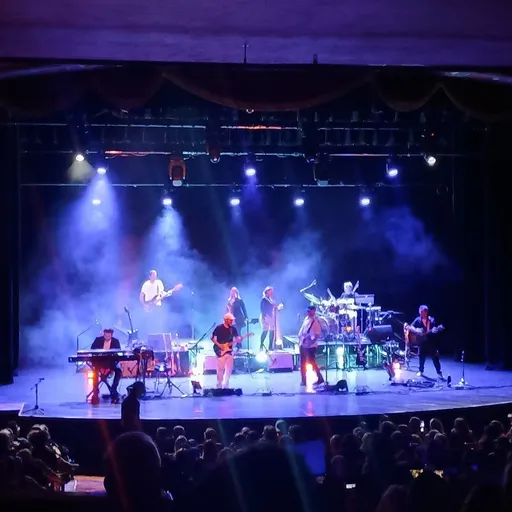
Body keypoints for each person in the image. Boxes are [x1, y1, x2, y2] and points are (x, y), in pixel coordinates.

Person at [407, 305, 444, 379]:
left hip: (431, 342)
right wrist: (416, 330)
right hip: (422, 342)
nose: (422, 314)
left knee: (435, 357)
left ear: (426, 312)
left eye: (424, 312)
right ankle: (421, 371)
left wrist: (435, 330)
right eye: (421, 312)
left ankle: (439, 372)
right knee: (421, 357)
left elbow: (434, 328)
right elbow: (410, 327)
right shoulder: (418, 320)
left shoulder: (431, 320)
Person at [91, 328, 122, 403]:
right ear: (104, 334)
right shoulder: (98, 340)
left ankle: (114, 389)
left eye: (109, 336)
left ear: (111, 335)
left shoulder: (115, 341)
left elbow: (117, 352)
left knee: (118, 371)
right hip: (99, 361)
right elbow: (92, 350)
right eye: (106, 336)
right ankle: (95, 392)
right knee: (95, 372)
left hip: (111, 362)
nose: (107, 337)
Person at [211, 313, 242, 389]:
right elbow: (212, 338)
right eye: (230, 320)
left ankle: (226, 385)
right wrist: (219, 345)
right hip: (220, 351)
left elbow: (237, 338)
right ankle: (219, 385)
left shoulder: (233, 329)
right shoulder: (219, 328)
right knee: (220, 369)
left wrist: (239, 339)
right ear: (226, 320)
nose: (232, 321)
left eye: (232, 320)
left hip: (229, 351)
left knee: (229, 369)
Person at [298, 306, 324, 386]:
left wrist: (310, 342)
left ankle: (320, 378)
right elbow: (303, 330)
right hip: (303, 343)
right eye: (307, 311)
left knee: (311, 362)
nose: (308, 312)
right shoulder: (306, 319)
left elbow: (316, 335)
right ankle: (304, 380)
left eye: (309, 311)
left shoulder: (316, 321)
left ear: (314, 311)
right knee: (302, 362)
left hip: (310, 345)